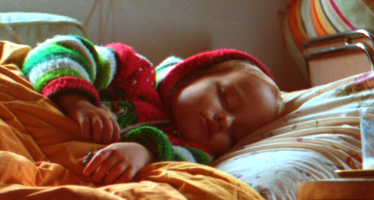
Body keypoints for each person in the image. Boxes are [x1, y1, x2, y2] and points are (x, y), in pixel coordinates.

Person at [22, 34, 284, 184]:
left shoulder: (195, 152)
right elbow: (56, 50)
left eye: (236, 133)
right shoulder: (134, 71)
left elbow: (183, 162)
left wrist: (144, 151)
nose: (225, 121)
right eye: (225, 99)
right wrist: (76, 101)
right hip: (31, 115)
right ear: (195, 74)